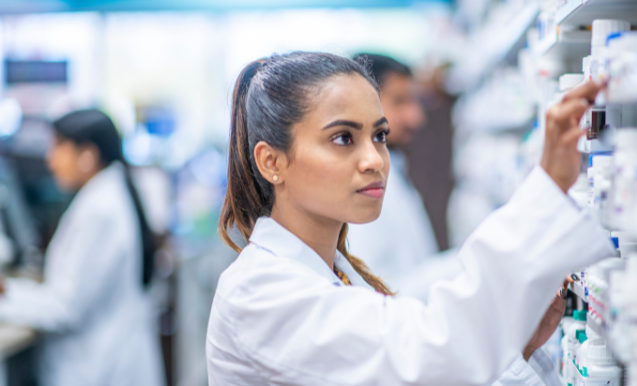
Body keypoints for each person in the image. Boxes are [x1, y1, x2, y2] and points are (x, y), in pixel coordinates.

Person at [207, 52, 612, 385]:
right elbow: (424, 354)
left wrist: (513, 348)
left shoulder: (340, 273)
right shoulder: (259, 292)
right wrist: (548, 189)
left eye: (378, 136)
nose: (373, 160)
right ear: (271, 162)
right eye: (343, 138)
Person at [0, 110, 165, 386]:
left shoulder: (99, 210)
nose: (50, 160)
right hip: (109, 359)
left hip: (98, 368)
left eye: (58, 147)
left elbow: (64, 308)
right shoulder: (108, 193)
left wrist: (7, 299)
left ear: (88, 154)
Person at [346, 53, 440, 291]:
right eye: (400, 101)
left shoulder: (395, 168)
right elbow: (372, 288)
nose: (415, 117)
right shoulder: (358, 184)